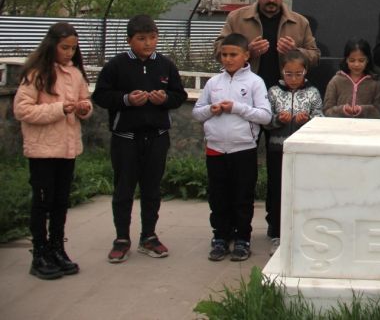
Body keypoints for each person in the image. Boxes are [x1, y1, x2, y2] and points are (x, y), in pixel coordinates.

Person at [215, 0, 318, 241]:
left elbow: (315, 55)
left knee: (281, 169)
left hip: (285, 104)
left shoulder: (299, 22)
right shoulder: (237, 18)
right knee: (241, 171)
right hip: (245, 104)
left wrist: (296, 52)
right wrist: (247, 51)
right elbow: (218, 50)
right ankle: (236, 230)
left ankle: (277, 227)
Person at [92, 14, 187, 264]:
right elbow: (101, 96)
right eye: (142, 38)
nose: (148, 43)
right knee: (124, 189)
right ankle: (122, 238)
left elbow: (179, 95)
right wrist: (126, 100)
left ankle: (149, 236)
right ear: (129, 40)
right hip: (126, 138)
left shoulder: (165, 65)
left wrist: (164, 99)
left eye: (152, 38)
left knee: (152, 189)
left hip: (157, 137)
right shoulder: (116, 65)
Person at [14, 23, 93, 280]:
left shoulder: (75, 74)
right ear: (52, 46)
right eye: (64, 48)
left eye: (73, 48)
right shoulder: (37, 73)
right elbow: (22, 110)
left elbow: (85, 101)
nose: (69, 53)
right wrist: (60, 108)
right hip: (42, 150)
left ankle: (57, 249)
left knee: (60, 202)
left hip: (67, 149)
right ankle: (39, 254)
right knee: (42, 202)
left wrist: (83, 108)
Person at [193, 33, 272, 262]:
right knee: (218, 196)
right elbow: (197, 112)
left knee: (242, 197)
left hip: (243, 148)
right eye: (224, 55)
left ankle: (242, 239)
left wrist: (237, 107)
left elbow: (265, 116)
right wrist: (211, 110)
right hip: (216, 148)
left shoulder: (255, 82)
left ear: (246, 55)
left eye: (233, 55)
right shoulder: (213, 83)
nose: (227, 59)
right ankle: (220, 237)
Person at [263, 49, 323, 256]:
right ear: (282, 71)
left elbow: (320, 117)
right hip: (277, 150)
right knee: (278, 191)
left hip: (303, 151)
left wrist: (308, 120)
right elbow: (265, 120)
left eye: (298, 74)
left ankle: (300, 230)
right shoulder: (273, 92)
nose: (294, 78)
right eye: (289, 74)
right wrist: (278, 120)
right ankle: (277, 233)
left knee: (301, 190)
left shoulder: (313, 92)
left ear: (305, 72)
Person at [323, 38, 380, 119]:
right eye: (352, 60)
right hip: (341, 126)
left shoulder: (375, 83)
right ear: (346, 60)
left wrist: (362, 110)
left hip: (366, 126)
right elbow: (327, 110)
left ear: (367, 60)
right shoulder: (336, 81)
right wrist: (343, 110)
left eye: (361, 60)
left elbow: (379, 112)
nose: (356, 64)